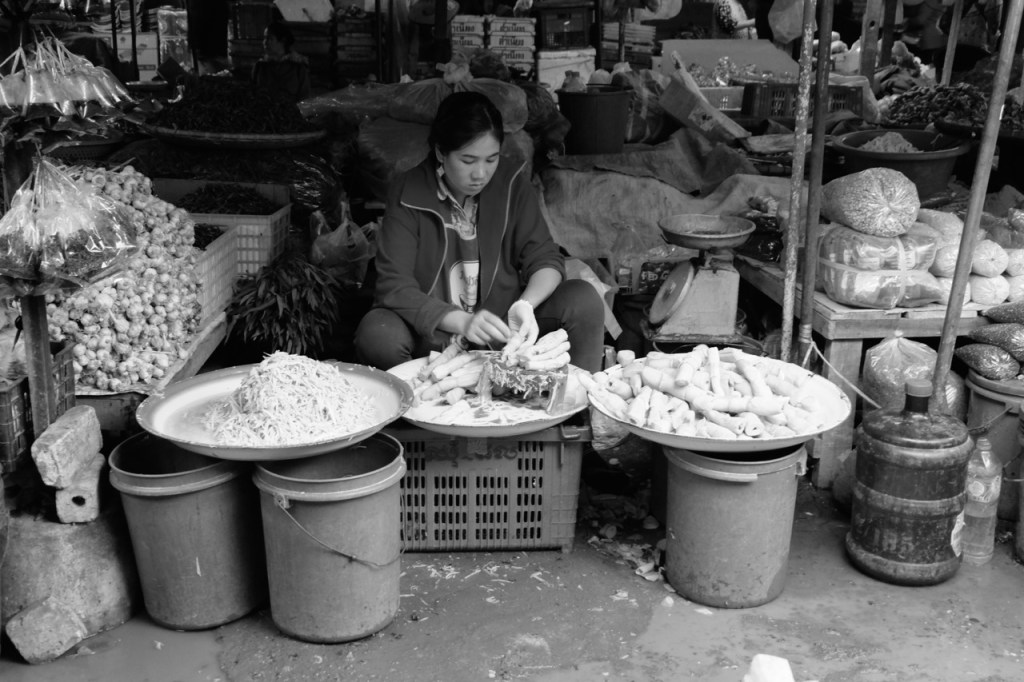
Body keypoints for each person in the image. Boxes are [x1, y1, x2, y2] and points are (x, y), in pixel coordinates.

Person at [354, 91, 605, 373]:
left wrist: (524, 304)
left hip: (502, 331)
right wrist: (462, 321)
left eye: (491, 159)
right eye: (468, 160)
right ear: (440, 152)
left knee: (583, 298)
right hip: (435, 337)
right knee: (377, 334)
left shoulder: (511, 184)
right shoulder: (408, 191)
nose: (480, 174)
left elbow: (544, 256)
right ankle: (423, 404)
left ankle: (581, 404)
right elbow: (394, 287)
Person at [251, 21, 311, 102]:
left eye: (269, 38)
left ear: (282, 40)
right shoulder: (260, 67)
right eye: (264, 38)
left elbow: (304, 99)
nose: (265, 42)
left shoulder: (298, 68)